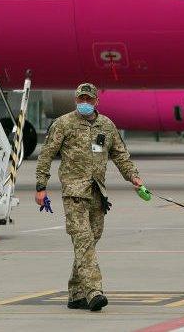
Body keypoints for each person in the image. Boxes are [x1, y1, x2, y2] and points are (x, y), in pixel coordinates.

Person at [35, 82, 143, 311]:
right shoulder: (64, 123)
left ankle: (75, 294)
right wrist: (40, 186)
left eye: (88, 99)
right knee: (83, 241)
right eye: (81, 99)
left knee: (91, 239)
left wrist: (133, 177)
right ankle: (94, 291)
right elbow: (46, 155)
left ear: (96, 101)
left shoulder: (106, 125)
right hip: (74, 193)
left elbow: (121, 155)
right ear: (76, 100)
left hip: (97, 194)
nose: (84, 103)